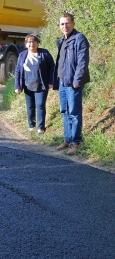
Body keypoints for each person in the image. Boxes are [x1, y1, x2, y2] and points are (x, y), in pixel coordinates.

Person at [53, 13, 90, 155]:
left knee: (74, 113)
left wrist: (77, 80)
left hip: (73, 82)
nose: (65, 26)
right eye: (62, 24)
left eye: (67, 23)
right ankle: (67, 139)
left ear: (73, 24)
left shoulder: (79, 38)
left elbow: (83, 62)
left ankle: (76, 142)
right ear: (59, 26)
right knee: (65, 111)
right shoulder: (62, 40)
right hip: (62, 82)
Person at [14, 34, 55, 136]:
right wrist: (17, 86)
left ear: (37, 43)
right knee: (30, 107)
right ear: (26, 44)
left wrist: (51, 81)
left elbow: (52, 68)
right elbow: (18, 71)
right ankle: (31, 126)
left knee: (40, 105)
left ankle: (41, 128)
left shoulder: (44, 53)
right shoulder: (22, 55)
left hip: (41, 85)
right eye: (29, 42)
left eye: (33, 41)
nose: (31, 44)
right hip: (27, 85)